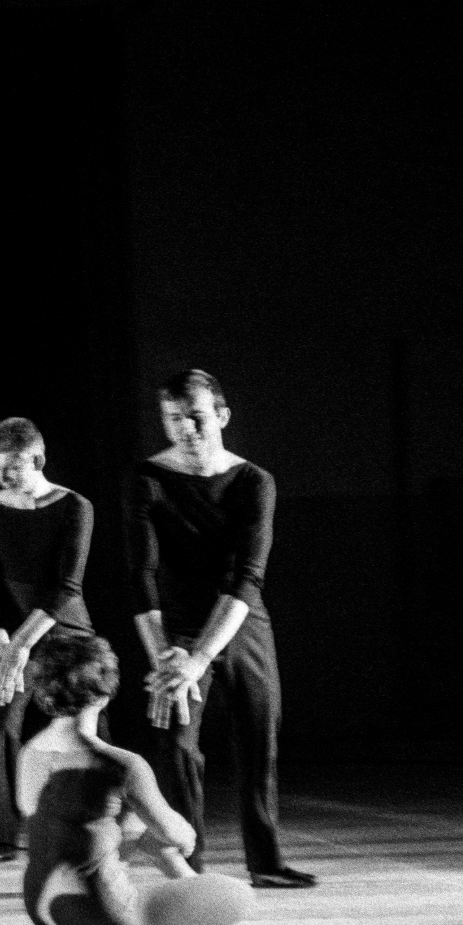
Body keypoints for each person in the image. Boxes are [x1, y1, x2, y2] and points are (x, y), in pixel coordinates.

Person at [127, 371, 317, 888]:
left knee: (260, 737)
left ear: (221, 417)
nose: (186, 428)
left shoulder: (254, 481)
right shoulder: (147, 479)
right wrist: (167, 660)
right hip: (177, 633)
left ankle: (266, 861)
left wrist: (198, 660)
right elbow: (141, 577)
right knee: (177, 746)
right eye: (174, 419)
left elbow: (245, 578)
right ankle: (190, 865)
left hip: (242, 623)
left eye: (197, 417)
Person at [17, 633, 254, 925]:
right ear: (105, 690)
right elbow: (179, 836)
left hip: (45, 914)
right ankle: (191, 888)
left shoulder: (29, 753)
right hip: (108, 919)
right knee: (240, 896)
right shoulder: (121, 765)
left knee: (132, 822)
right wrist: (178, 835)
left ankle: (188, 889)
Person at [0, 416, 96, 865]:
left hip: (67, 632)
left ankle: (95, 824)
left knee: (83, 733)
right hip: (13, 637)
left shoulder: (75, 506)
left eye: (13, 467)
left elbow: (67, 588)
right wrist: (2, 650)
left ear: (38, 459)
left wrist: (21, 645)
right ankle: (6, 837)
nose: (3, 477)